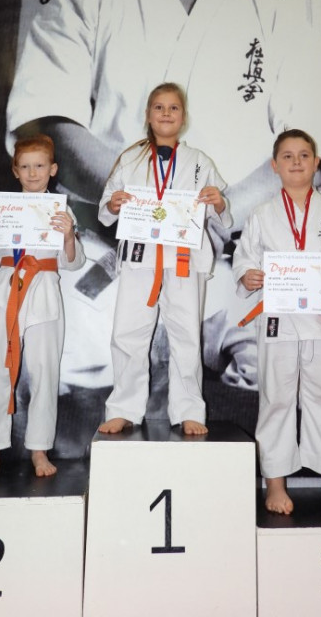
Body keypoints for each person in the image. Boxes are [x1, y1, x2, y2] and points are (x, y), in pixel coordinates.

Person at [6, 0, 321, 395]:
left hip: (238, 249)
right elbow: (48, 125)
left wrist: (220, 210)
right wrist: (147, 209)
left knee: (314, 368)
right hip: (109, 247)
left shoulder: (277, 12)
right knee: (39, 358)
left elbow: (313, 148)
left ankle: (208, 370)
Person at [232, 129, 321, 515]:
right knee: (276, 400)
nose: (296, 162)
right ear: (275, 166)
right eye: (288, 156)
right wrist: (248, 275)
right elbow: (244, 258)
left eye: (304, 155)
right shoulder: (261, 214)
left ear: (316, 163)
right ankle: (275, 483)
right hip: (278, 321)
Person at [98, 83, 231, 435]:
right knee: (128, 331)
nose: (166, 113)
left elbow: (220, 216)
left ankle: (189, 410)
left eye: (174, 107)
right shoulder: (129, 159)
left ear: (183, 117)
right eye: (159, 107)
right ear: (147, 115)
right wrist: (114, 204)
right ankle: (123, 407)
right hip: (140, 256)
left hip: (184, 258)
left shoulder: (200, 161)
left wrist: (218, 202)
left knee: (186, 335)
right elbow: (105, 209)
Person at [0, 134, 85, 479]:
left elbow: (73, 263)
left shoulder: (62, 210)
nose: (33, 173)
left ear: (52, 169)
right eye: (26, 167)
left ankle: (39, 450)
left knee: (45, 371)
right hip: (5, 291)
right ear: (15, 170)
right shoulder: (0, 209)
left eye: (40, 166)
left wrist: (69, 236)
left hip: (44, 292)